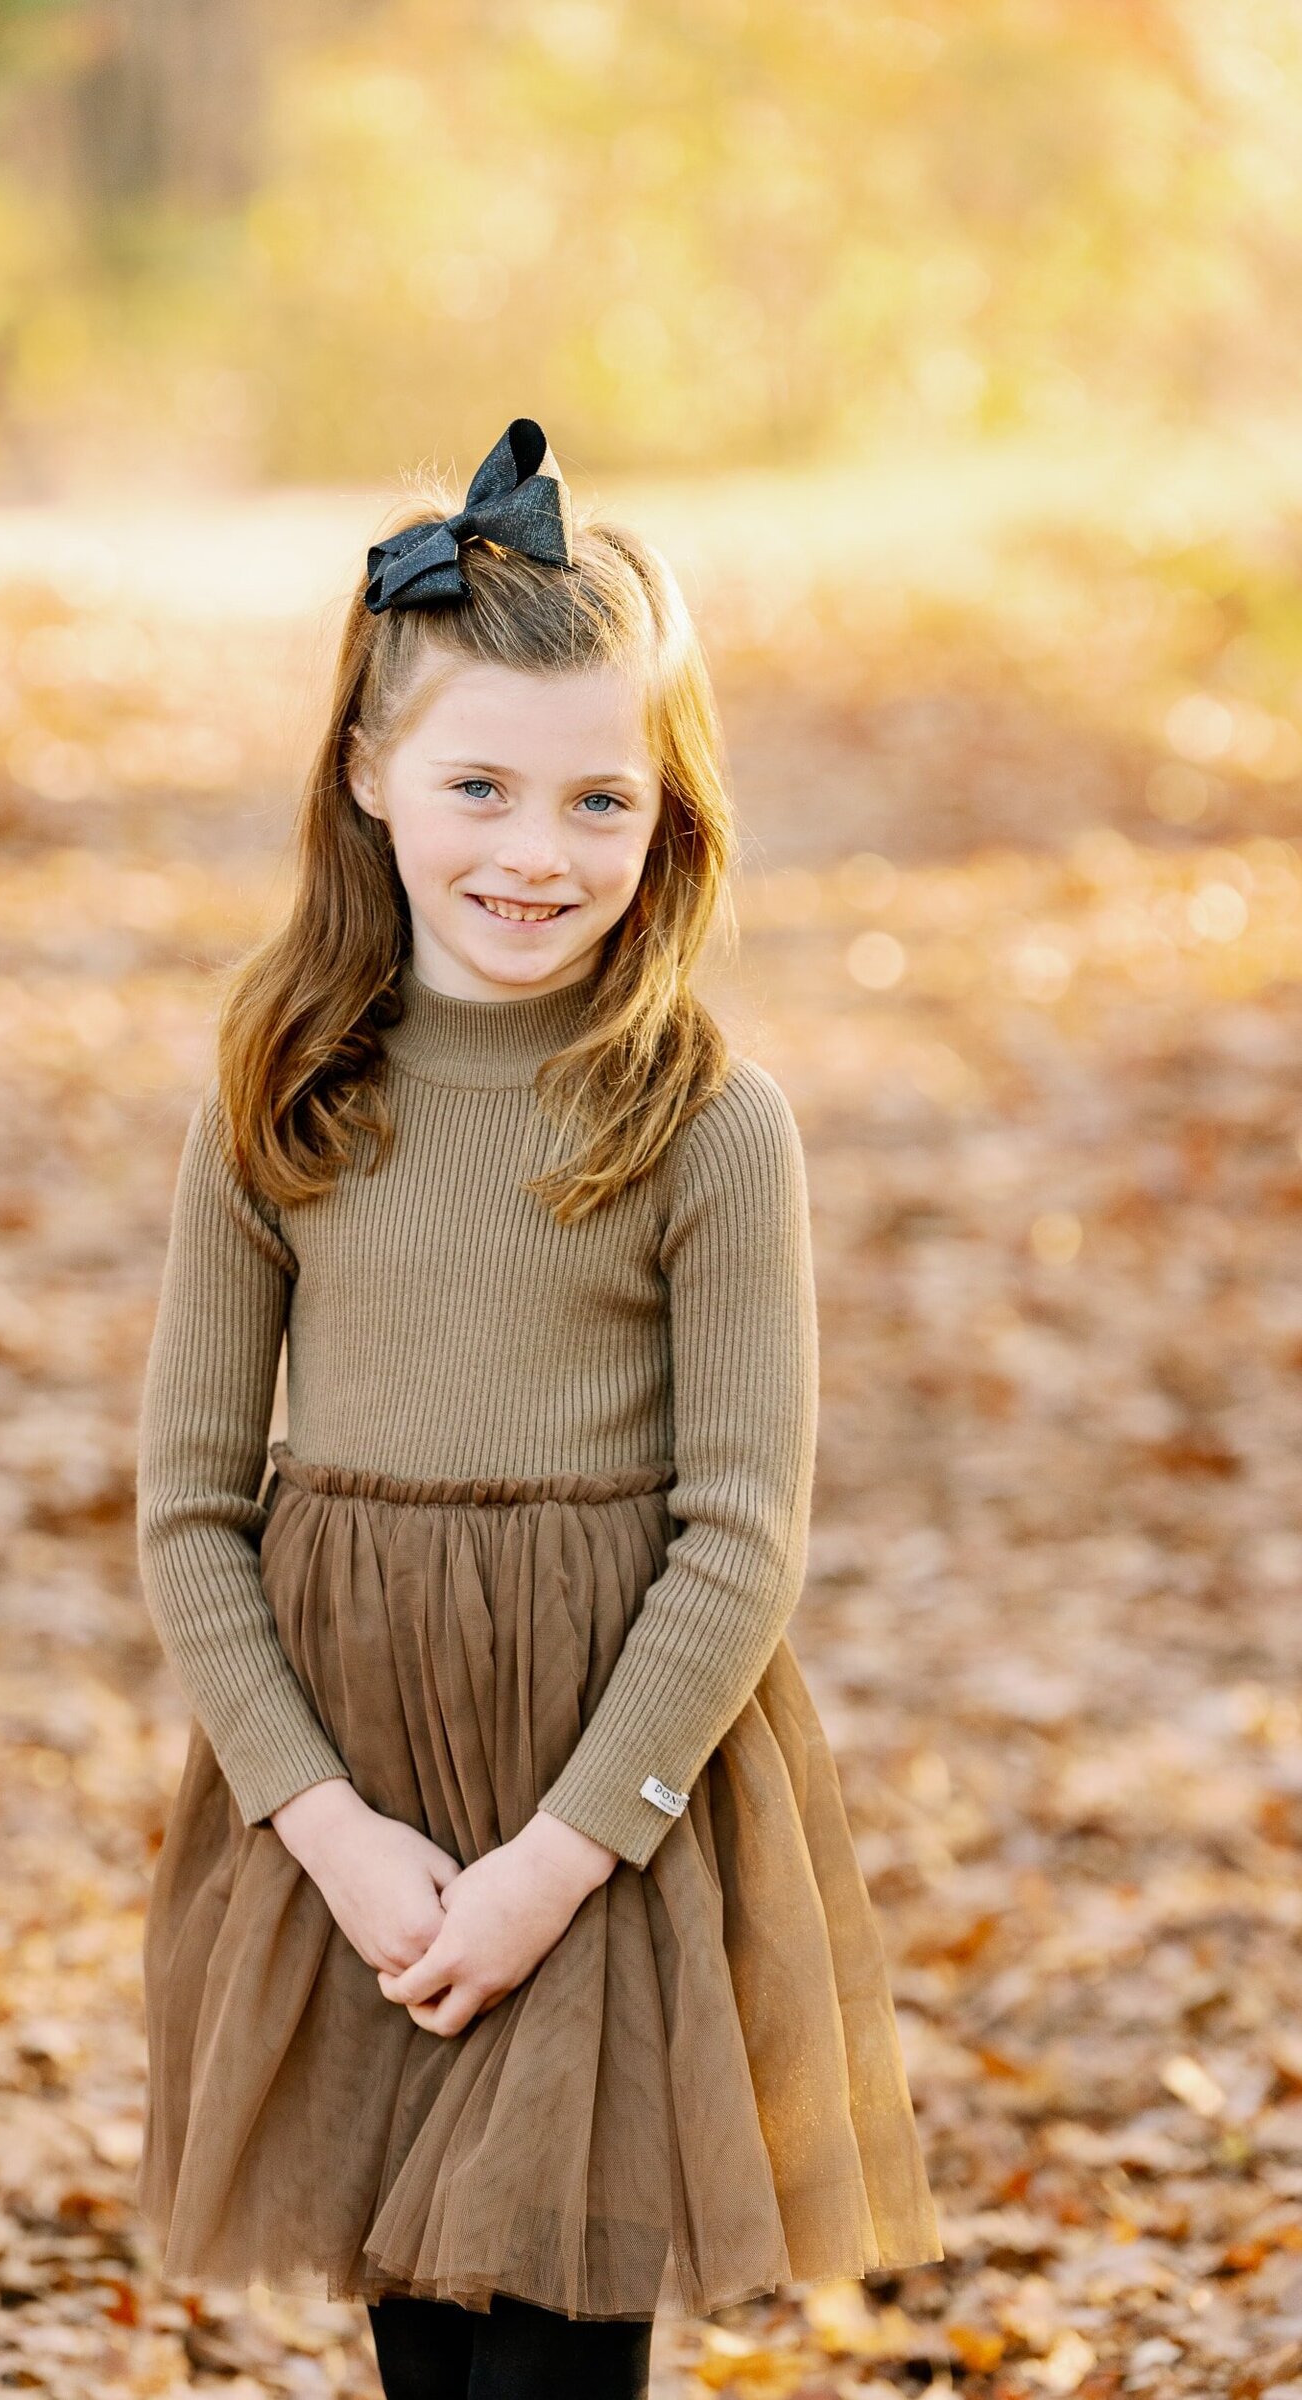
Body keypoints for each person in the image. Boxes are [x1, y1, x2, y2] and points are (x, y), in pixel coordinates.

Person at [132, 419, 941, 2399]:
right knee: (425, 2333)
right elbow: (183, 1501)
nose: (533, 849)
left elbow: (740, 1529)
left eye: (599, 799)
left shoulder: (704, 1124)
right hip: (358, 1781)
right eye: (477, 783)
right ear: (364, 773)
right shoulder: (282, 1085)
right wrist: (322, 1826)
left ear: (668, 816)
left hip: (612, 1796)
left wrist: (556, 1856)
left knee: (563, 2353)